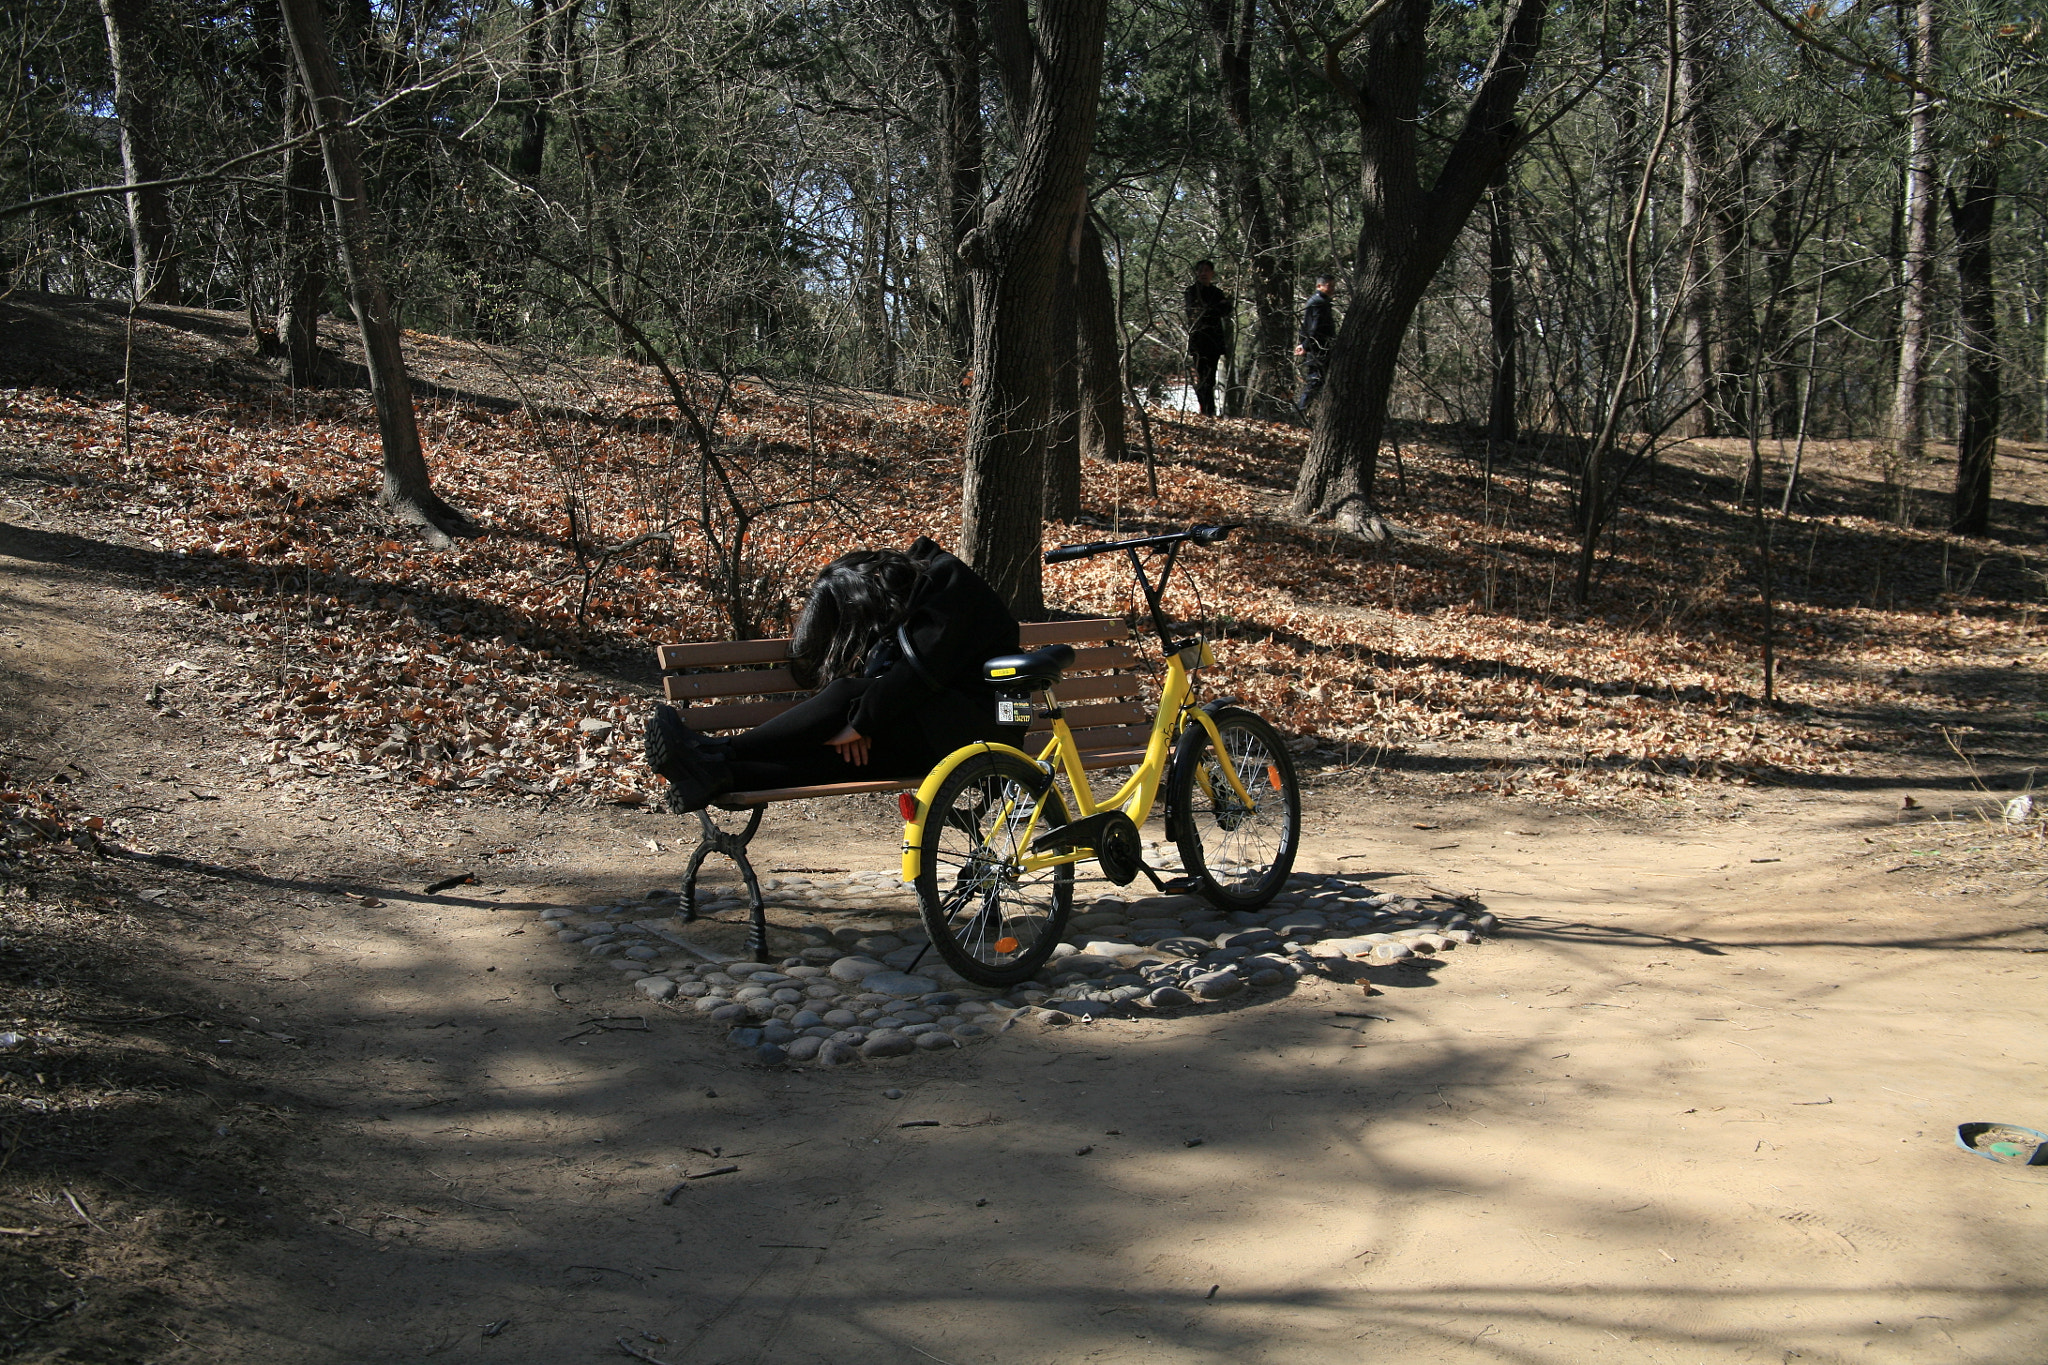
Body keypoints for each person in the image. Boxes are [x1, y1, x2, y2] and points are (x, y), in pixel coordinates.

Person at [645, 538, 1021, 811]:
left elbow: (917, 673)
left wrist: (860, 721)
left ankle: (715, 752)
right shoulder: (917, 593)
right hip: (939, 728)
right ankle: (719, 775)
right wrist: (864, 722)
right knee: (842, 759)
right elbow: (886, 671)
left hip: (985, 731)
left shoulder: (949, 586)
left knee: (844, 696)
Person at [1183, 259, 1231, 417]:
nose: (1203, 273)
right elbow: (1194, 312)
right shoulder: (1191, 292)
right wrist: (1213, 308)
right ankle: (1206, 410)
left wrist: (1212, 308)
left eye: (1207, 270)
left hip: (1214, 341)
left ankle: (1210, 411)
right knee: (1202, 377)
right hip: (1198, 341)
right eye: (1200, 270)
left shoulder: (1217, 293)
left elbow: (1226, 310)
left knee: (1210, 379)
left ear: (1212, 273)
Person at [1294, 274, 1337, 419]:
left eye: (1333, 286)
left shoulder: (1321, 301)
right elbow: (1314, 327)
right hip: (1318, 348)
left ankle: (1305, 412)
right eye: (1329, 286)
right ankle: (1300, 412)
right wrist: (1306, 345)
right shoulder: (1318, 302)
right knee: (1315, 380)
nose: (1332, 289)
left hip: (1317, 346)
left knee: (1318, 380)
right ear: (1319, 286)